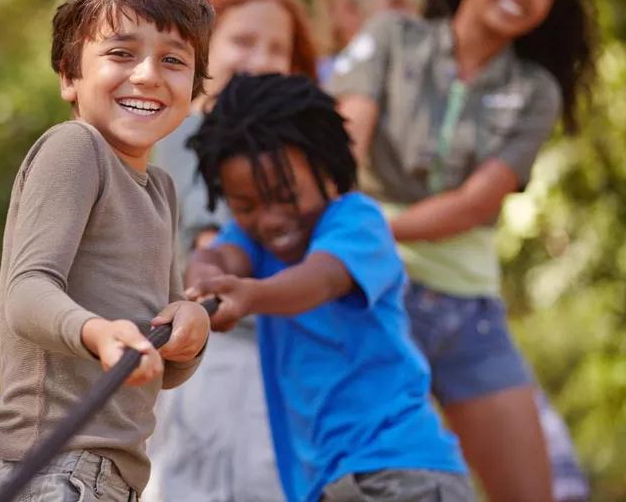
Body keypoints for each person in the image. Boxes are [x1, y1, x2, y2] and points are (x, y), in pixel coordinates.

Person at [325, 0, 598, 502]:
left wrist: (373, 224)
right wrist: (358, 243)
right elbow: (343, 148)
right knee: (372, 486)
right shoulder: (390, 38)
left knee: (533, 492)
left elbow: (476, 205)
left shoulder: (535, 90)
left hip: (468, 312)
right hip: (376, 295)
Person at [0, 0, 215, 502]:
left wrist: (188, 333)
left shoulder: (159, 189)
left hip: (105, 475)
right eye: (121, 53)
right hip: (51, 466)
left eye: (173, 60)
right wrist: (96, 332)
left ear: (193, 89)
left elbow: (155, 361)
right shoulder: (76, 148)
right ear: (69, 76)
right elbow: (25, 293)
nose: (149, 75)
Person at [184, 72, 475, 502]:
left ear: (328, 169)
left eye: (286, 195)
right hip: (324, 487)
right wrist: (203, 281)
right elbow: (217, 257)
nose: (270, 219)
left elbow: (319, 279)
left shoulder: (357, 222)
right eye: (245, 206)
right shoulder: (253, 243)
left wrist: (250, 295)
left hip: (400, 473)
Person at [148, 0, 318, 502]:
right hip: (216, 355)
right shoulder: (192, 131)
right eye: (243, 41)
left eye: (278, 48)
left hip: (278, 355)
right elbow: (207, 242)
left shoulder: (296, 154)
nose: (261, 58)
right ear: (203, 49)